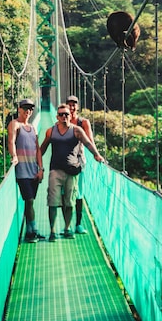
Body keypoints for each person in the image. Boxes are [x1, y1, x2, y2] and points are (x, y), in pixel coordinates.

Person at [40, 103, 104, 242]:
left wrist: (96, 155)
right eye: (61, 114)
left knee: (69, 202)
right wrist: (38, 165)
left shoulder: (77, 130)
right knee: (52, 201)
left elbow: (88, 143)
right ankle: (52, 231)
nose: (64, 117)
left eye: (66, 114)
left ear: (70, 116)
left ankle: (67, 228)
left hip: (72, 171)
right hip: (55, 171)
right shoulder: (51, 131)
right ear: (57, 117)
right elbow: (42, 148)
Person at [7, 98, 45, 243]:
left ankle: (31, 230)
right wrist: (14, 156)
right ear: (19, 109)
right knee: (29, 201)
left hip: (33, 170)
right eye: (25, 108)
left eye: (30, 109)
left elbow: (38, 150)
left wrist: (40, 169)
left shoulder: (33, 128)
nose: (28, 111)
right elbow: (11, 141)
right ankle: (32, 232)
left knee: (31, 202)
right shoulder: (14, 124)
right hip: (22, 170)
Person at [66, 95, 95, 234]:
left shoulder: (83, 122)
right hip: (64, 162)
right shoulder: (61, 120)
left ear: (78, 106)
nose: (72, 107)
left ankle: (78, 224)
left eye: (74, 104)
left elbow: (90, 141)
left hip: (79, 162)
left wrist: (97, 155)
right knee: (65, 195)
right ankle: (67, 226)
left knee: (79, 193)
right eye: (69, 104)